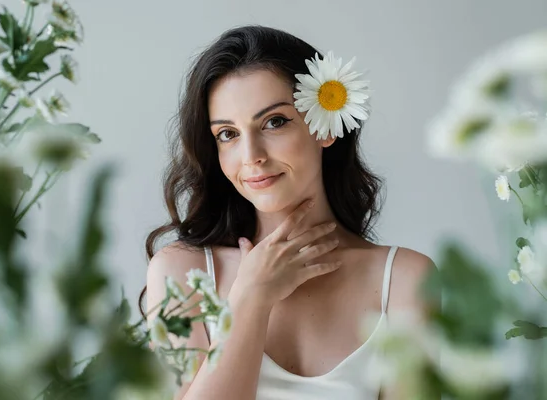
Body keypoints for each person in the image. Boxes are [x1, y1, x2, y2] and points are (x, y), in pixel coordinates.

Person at [141, 25, 437, 400]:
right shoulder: (183, 274)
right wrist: (250, 298)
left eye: (274, 122)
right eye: (228, 134)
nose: (251, 157)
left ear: (324, 125)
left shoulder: (404, 281)